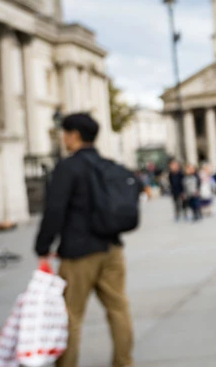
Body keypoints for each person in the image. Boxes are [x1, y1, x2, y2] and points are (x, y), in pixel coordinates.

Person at [34, 113, 133, 367]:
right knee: (118, 310)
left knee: (71, 316)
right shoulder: (106, 164)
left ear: (74, 135)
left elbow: (55, 210)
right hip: (112, 247)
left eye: (65, 133)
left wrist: (43, 246)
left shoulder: (68, 168)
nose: (63, 138)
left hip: (79, 252)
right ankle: (124, 362)